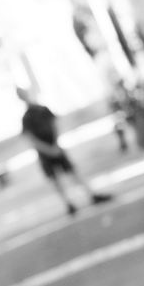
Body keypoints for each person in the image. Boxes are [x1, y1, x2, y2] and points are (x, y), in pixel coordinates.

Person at [17, 87, 111, 216]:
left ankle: (90, 195)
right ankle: (68, 203)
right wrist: (49, 149)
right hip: (45, 152)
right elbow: (31, 139)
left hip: (54, 147)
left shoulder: (42, 109)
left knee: (72, 172)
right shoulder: (26, 118)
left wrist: (55, 144)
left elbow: (54, 125)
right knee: (55, 179)